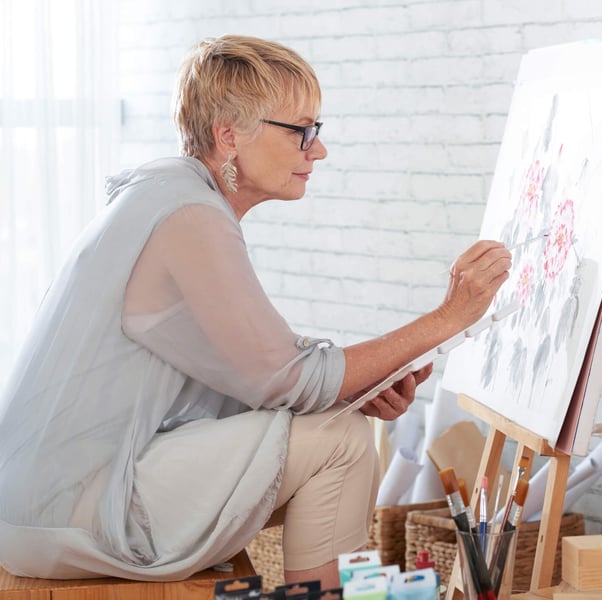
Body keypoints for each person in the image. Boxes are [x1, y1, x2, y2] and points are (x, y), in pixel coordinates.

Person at [0, 35, 511, 588]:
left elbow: (256, 371)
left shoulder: (169, 198)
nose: (318, 150)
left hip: (47, 501)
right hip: (69, 511)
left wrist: (351, 389)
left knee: (336, 423)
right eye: (301, 131)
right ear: (229, 136)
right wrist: (450, 317)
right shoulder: (189, 215)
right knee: (340, 441)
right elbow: (288, 378)